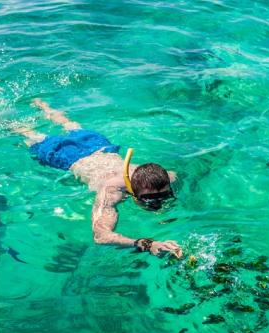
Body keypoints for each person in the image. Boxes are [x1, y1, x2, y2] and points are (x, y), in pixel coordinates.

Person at [15, 99, 182, 258]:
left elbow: (175, 177)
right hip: (68, 157)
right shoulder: (111, 191)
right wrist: (147, 244)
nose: (158, 203)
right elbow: (101, 236)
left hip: (99, 146)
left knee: (70, 125)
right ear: (131, 189)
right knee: (31, 135)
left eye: (165, 195)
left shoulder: (169, 177)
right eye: (149, 199)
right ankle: (2, 117)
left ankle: (41, 104)